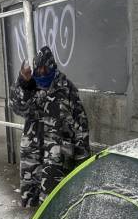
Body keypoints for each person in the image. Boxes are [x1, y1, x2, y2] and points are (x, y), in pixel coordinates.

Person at [10, 46, 90, 208]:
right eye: (38, 69)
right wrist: (22, 82)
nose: (41, 73)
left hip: (57, 156)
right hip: (32, 153)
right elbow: (17, 107)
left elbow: (80, 125)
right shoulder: (31, 87)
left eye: (45, 68)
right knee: (31, 199)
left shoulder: (66, 89)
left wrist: (83, 161)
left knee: (53, 202)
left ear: (53, 66)